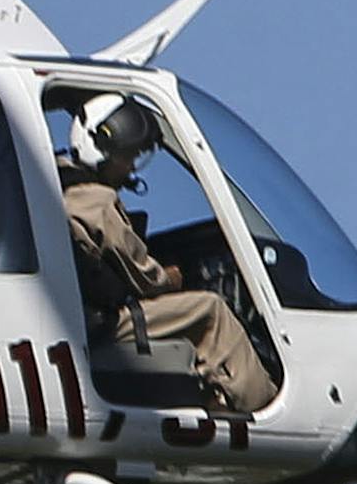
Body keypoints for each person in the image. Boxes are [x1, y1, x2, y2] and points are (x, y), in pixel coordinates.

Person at [59, 94, 278, 416]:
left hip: (77, 314)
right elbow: (148, 280)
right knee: (210, 310)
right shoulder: (98, 201)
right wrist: (175, 276)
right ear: (102, 150)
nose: (131, 166)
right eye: (127, 156)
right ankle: (261, 407)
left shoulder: (59, 183)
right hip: (100, 323)